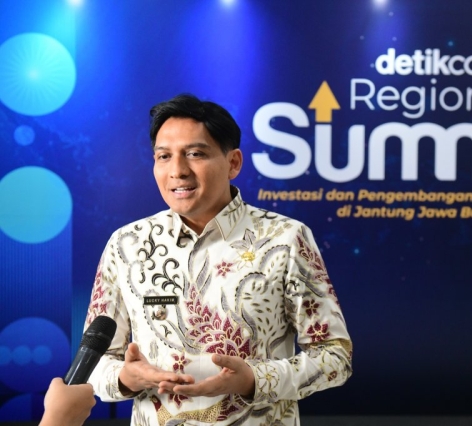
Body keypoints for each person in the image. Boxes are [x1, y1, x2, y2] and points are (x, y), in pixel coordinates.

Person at [84, 94, 352, 425]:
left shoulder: (286, 238)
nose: (177, 171)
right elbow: (92, 363)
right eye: (164, 156)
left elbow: (335, 356)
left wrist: (255, 379)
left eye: (195, 154)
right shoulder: (127, 244)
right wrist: (125, 378)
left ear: (233, 163)